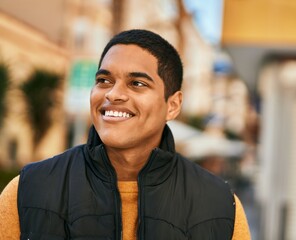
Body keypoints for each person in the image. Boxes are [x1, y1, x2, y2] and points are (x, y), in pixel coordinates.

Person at [0, 29, 250, 239]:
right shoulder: (27, 191)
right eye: (104, 80)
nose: (112, 94)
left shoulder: (221, 208)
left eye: (137, 83)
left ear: (172, 105)